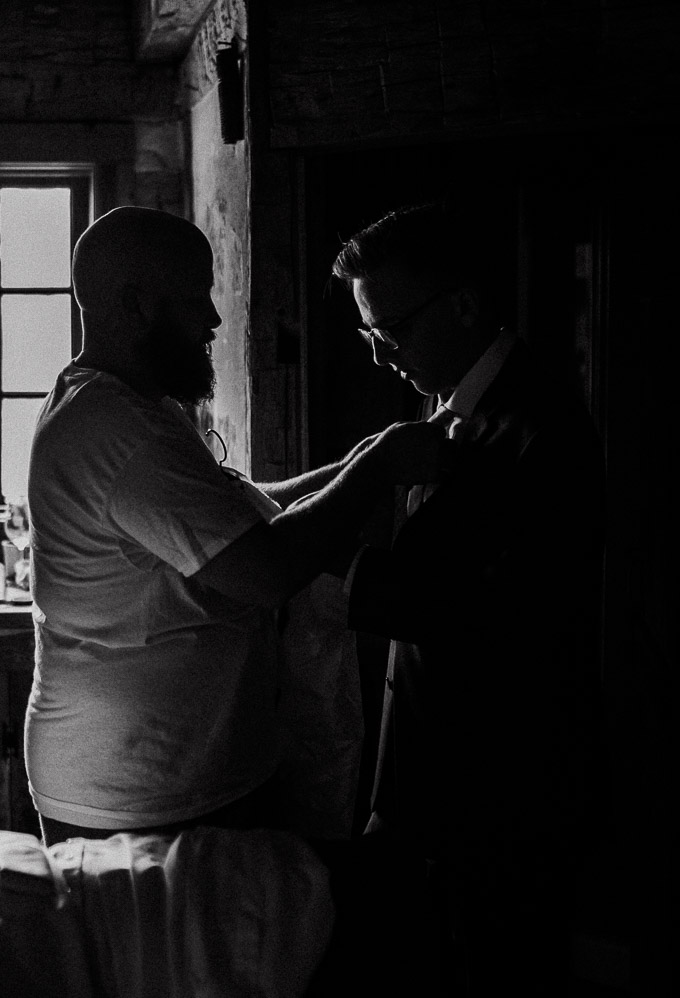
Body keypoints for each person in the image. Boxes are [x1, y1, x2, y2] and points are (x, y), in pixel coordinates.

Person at [23, 205, 448, 847]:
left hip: (165, 779)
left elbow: (246, 508)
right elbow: (266, 570)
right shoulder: (120, 433)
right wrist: (378, 471)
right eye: (197, 298)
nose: (214, 320)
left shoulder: (136, 405)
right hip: (143, 795)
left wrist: (365, 456)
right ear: (135, 305)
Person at [322, 202, 607, 996]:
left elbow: (498, 622)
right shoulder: (442, 403)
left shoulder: (542, 431)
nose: (381, 357)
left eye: (393, 331)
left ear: (465, 306)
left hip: (500, 800)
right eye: (368, 336)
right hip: (426, 793)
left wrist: (320, 557)